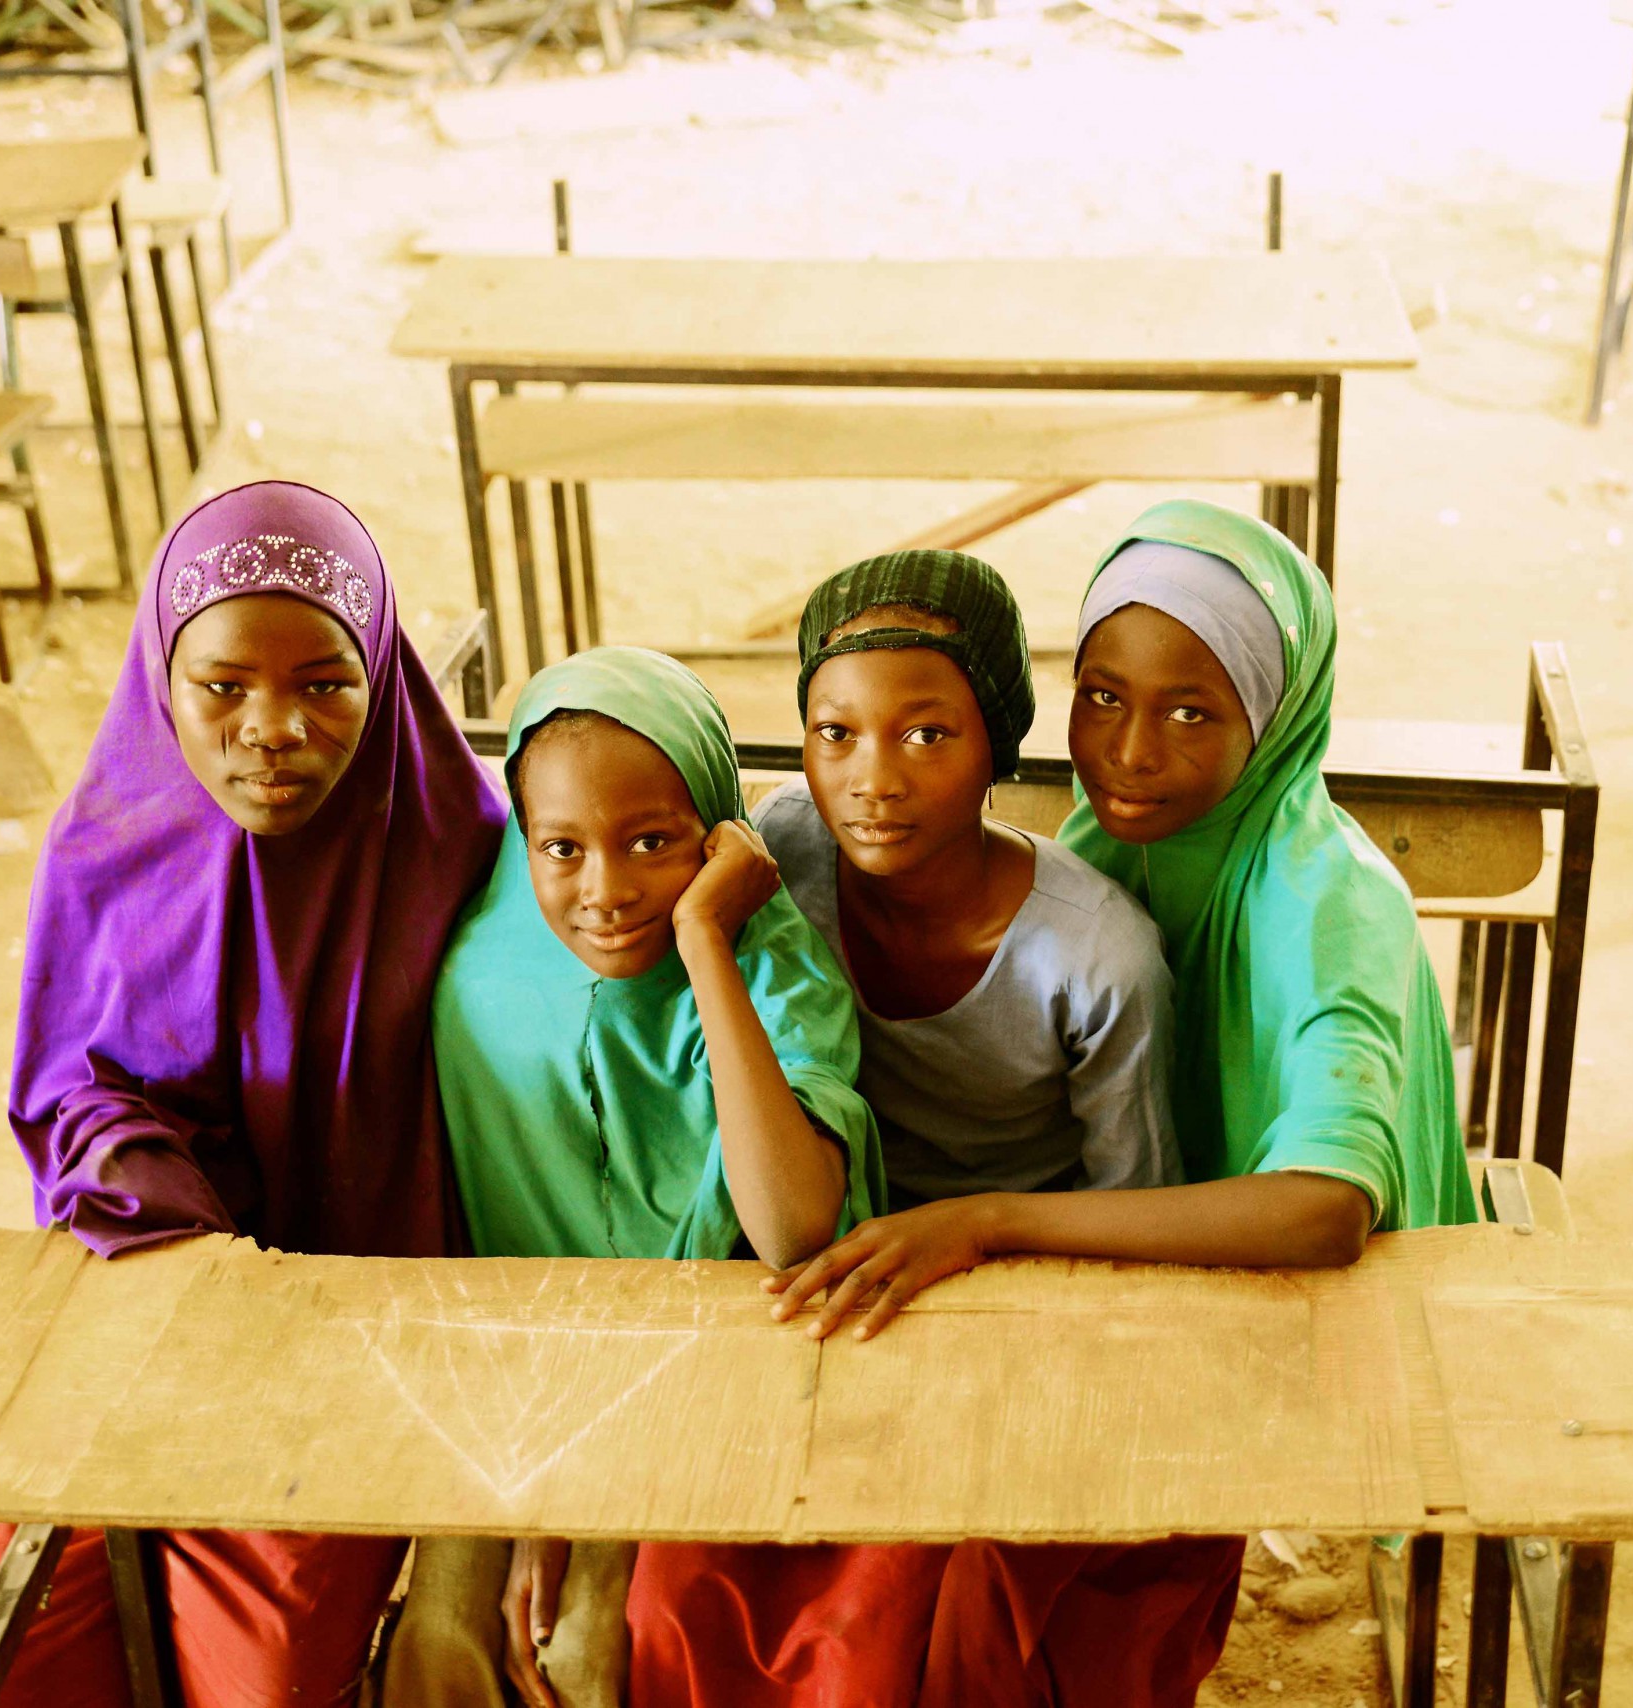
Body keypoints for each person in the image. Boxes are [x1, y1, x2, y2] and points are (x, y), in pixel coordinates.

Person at [768, 499, 1477, 1708]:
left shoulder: (1326, 899)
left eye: (1192, 710)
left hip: (1288, 1298)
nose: (1129, 751)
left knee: (1006, 1609)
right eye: (1102, 696)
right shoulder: (1117, 831)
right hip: (1133, 1241)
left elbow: (1323, 1212)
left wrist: (991, 1220)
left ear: (1276, 710)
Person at [0, 481, 507, 1708]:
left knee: (260, 1659)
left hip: (370, 1325)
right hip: (154, 1281)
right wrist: (163, 1218)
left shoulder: (457, 844)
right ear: (164, 678)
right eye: (223, 687)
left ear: (380, 672)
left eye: (325, 681)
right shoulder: (102, 851)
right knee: (19, 1620)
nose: (272, 727)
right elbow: (74, 1091)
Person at [626, 550, 1180, 1708]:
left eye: (926, 735)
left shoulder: (1097, 954)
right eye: (834, 734)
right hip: (829, 1267)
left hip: (1029, 1290)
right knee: (689, 1579)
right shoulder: (781, 866)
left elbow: (1136, 1224)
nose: (871, 778)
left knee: (939, 1605)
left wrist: (981, 1254)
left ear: (1001, 745)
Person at [385, 644, 880, 1708]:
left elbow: (793, 1227)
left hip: (725, 1365)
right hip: (522, 1369)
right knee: (439, 1637)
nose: (605, 890)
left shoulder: (775, 972)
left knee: (592, 1641)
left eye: (652, 842)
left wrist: (706, 940)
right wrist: (537, 1499)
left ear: (716, 831)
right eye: (560, 846)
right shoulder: (482, 973)